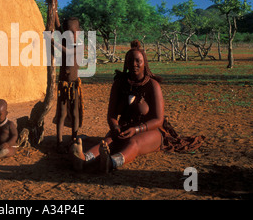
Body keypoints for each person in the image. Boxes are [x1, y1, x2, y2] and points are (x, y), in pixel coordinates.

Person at [71, 40, 205, 172]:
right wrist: (116, 127)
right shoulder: (119, 84)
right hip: (124, 127)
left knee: (134, 143)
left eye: (137, 61)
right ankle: (83, 159)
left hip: (150, 131)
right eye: (130, 61)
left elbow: (159, 120)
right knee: (107, 141)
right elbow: (111, 115)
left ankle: (111, 162)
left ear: (144, 63)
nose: (134, 64)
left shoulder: (152, 85)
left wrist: (136, 129)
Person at [52, 17, 85, 153]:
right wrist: (55, 11)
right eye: (67, 33)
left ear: (79, 32)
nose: (70, 35)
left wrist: (54, 43)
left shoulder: (79, 46)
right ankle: (59, 141)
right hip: (63, 85)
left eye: (73, 32)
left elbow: (68, 52)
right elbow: (58, 25)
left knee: (75, 112)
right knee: (62, 112)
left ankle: (74, 137)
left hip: (73, 85)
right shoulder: (65, 40)